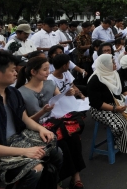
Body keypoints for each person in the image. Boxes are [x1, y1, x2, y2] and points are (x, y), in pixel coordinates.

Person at [0, 50, 63, 189]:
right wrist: (25, 152)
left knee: (55, 149)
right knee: (35, 169)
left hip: (15, 141)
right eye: (12, 70)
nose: (16, 73)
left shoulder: (12, 92)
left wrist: (41, 129)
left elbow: (25, 118)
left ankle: (52, 184)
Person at [16, 57, 86, 188]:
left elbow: (60, 102)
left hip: (56, 122)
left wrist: (68, 94)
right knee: (61, 144)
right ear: (33, 72)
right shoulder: (20, 92)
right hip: (38, 128)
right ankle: (57, 180)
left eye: (48, 68)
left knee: (74, 138)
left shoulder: (50, 84)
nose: (48, 72)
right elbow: (25, 121)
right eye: (45, 69)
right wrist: (42, 112)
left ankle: (75, 175)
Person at [87, 54, 127, 154]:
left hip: (117, 102)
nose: (115, 64)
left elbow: (121, 90)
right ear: (105, 65)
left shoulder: (114, 74)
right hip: (101, 108)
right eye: (112, 62)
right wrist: (114, 109)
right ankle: (120, 143)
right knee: (121, 124)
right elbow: (96, 103)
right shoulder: (95, 80)